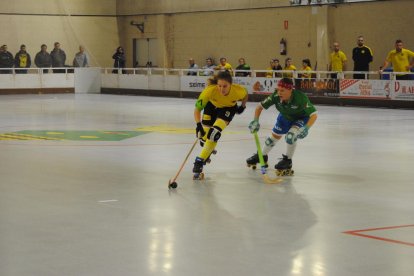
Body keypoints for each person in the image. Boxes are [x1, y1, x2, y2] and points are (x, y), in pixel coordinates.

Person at [247, 77, 317, 176]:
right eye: (278, 90)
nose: (279, 93)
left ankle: (288, 161)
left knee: (290, 137)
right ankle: (262, 156)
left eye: (282, 90)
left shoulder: (300, 98)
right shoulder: (275, 96)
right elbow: (259, 107)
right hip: (284, 117)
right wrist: (255, 120)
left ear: (290, 90)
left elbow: (314, 114)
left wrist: (306, 128)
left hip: (301, 118)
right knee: (271, 139)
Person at [192, 70, 248, 178]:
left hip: (228, 108)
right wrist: (198, 125)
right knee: (204, 138)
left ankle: (199, 160)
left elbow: (245, 95)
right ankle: (208, 149)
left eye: (225, 86)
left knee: (213, 134)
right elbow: (197, 110)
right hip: (211, 106)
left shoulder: (237, 91)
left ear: (230, 85)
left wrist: (243, 106)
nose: (222, 89)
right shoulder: (209, 90)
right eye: (219, 86)